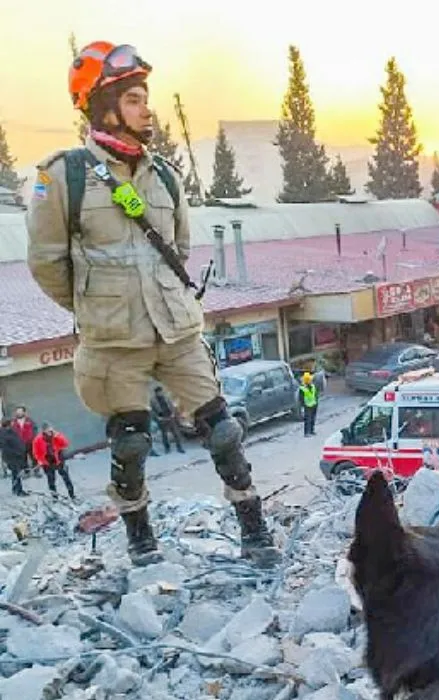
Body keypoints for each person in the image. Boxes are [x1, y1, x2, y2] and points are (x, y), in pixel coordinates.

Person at [26, 42, 277, 567]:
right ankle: (142, 543)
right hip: (115, 341)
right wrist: (98, 307)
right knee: (131, 445)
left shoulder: (164, 176)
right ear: (104, 108)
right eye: (135, 100)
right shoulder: (61, 177)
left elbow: (178, 249)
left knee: (224, 429)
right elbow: (48, 265)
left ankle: (254, 528)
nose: (147, 109)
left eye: (145, 98)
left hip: (177, 330)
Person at [32, 424, 75, 499]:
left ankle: (72, 494)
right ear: (43, 431)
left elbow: (65, 444)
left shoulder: (56, 436)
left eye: (50, 430)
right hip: (47, 462)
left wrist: (57, 436)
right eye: (48, 430)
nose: (50, 432)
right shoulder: (38, 440)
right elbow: (36, 453)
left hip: (58, 460)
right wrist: (42, 461)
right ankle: (54, 497)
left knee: (66, 478)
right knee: (51, 480)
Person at [150, 386, 185, 454]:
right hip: (162, 418)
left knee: (176, 433)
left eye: (161, 392)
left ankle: (179, 447)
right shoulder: (153, 400)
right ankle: (167, 448)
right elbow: (152, 411)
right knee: (164, 435)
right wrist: (157, 418)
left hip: (170, 417)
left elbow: (171, 405)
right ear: (156, 393)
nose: (160, 393)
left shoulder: (166, 398)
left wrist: (173, 413)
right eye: (159, 392)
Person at [0, 419, 29, 496]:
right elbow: (5, 447)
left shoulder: (10, 431)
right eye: (12, 423)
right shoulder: (3, 433)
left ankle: (15, 489)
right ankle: (19, 491)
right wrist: (16, 452)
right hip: (12, 457)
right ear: (8, 424)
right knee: (16, 473)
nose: (13, 424)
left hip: (15, 456)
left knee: (15, 473)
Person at [11, 407, 39, 478]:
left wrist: (34, 439)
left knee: (34, 458)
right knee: (23, 460)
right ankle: (26, 473)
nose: (19, 413)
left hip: (30, 443)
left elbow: (35, 430)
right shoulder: (13, 422)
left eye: (20, 411)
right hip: (19, 444)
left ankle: (36, 472)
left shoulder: (30, 421)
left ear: (24, 412)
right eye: (17, 412)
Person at [298, 372, 319, 437]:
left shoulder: (313, 386)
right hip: (307, 406)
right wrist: (304, 405)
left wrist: (316, 402)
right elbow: (301, 398)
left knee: (312, 418)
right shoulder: (302, 388)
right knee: (307, 419)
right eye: (309, 380)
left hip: (314, 404)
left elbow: (315, 394)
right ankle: (307, 433)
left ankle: (312, 431)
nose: (311, 381)